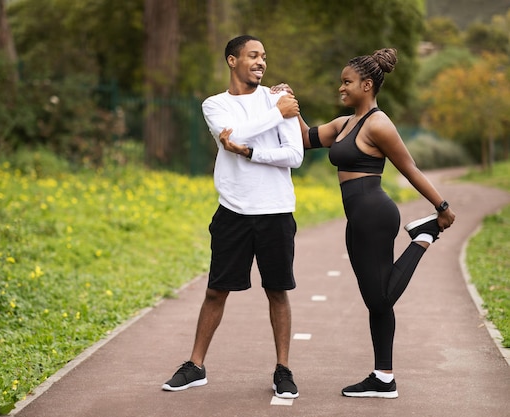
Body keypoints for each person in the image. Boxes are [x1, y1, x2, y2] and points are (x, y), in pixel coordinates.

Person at [272, 48, 456, 398]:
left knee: (382, 297)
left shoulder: (378, 124)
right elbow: (306, 138)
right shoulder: (345, 124)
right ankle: (383, 376)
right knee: (374, 298)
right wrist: (289, 103)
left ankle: (424, 235)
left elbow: (410, 168)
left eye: (347, 82)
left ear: (367, 85)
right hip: (356, 219)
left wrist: (441, 207)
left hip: (374, 214)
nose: (341, 88)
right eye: (341, 82)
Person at [161, 35, 304, 399]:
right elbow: (230, 135)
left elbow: (294, 155)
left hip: (275, 211)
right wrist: (274, 117)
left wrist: (252, 151)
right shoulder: (215, 104)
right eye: (253, 55)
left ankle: (283, 370)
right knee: (215, 291)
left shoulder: (278, 97)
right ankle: (195, 366)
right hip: (234, 211)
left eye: (264, 57)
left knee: (278, 291)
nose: (261, 62)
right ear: (232, 60)